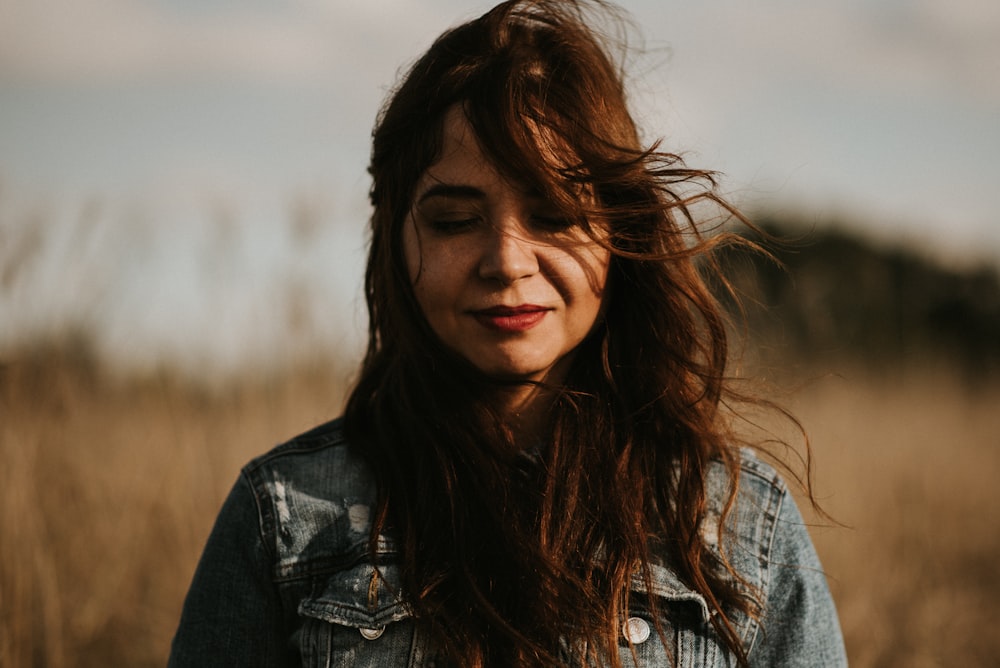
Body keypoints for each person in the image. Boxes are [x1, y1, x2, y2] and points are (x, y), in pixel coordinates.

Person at [169, 1, 847, 666]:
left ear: (619, 234)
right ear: (395, 242)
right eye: (455, 220)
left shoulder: (739, 525)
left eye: (554, 215)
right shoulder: (284, 519)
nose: (507, 261)